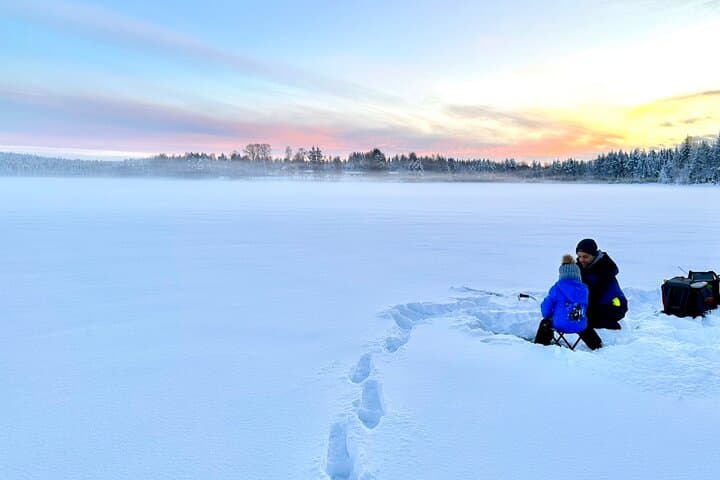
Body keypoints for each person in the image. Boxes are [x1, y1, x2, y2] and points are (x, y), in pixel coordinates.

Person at [534, 254, 602, 350]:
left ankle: (540, 347)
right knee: (584, 324)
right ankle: (597, 345)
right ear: (578, 274)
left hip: (560, 324)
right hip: (580, 325)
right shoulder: (584, 289)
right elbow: (585, 307)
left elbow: (546, 310)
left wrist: (548, 315)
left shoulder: (557, 288)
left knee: (545, 323)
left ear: (561, 274)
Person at [575, 238, 628, 330]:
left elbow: (595, 295)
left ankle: (607, 327)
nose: (581, 260)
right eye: (579, 256)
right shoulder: (580, 268)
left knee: (583, 319)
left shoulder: (604, 270)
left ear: (594, 256)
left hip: (615, 307)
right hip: (595, 304)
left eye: (585, 257)